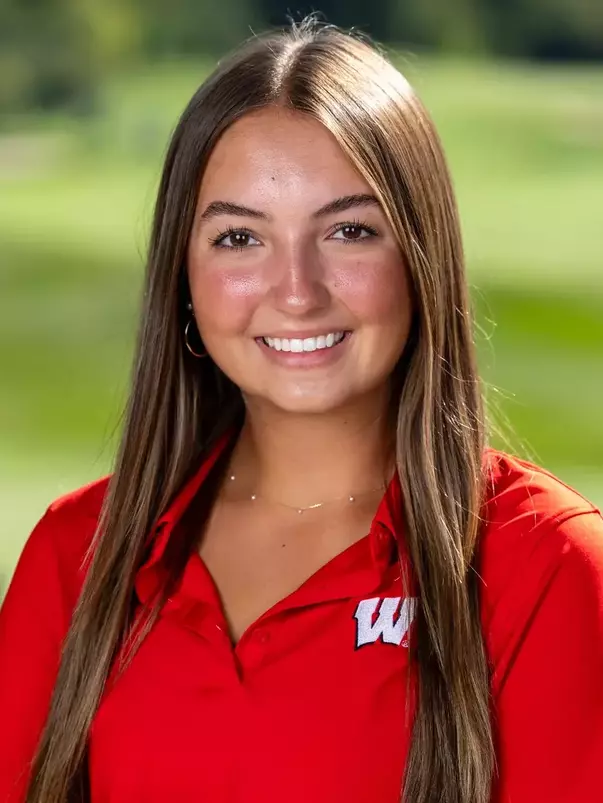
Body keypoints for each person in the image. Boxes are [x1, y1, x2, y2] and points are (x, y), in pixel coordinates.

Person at [1, 17, 602, 803]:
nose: (295, 291)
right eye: (238, 238)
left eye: (349, 230)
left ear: (421, 258)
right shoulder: (75, 554)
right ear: (183, 277)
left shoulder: (547, 565)